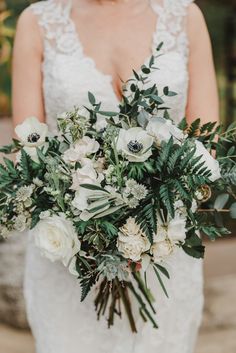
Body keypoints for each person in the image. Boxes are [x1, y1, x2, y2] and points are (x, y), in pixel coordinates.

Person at [12, 1, 219, 352]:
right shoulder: (38, 22)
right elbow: (26, 153)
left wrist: (146, 228)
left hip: (165, 246)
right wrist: (89, 227)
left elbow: (206, 144)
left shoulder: (185, 17)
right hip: (68, 256)